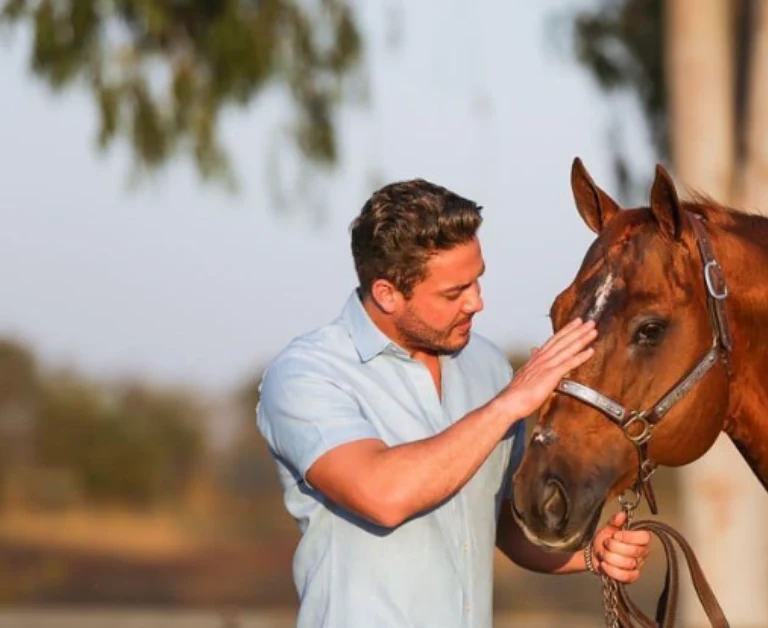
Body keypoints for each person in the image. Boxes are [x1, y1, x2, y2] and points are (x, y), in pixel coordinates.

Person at [255, 179, 652, 627]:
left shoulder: (488, 366)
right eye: (453, 293)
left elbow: (499, 520)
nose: (477, 303)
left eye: (477, 280)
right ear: (387, 294)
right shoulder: (306, 374)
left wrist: (589, 552)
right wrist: (507, 405)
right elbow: (382, 494)